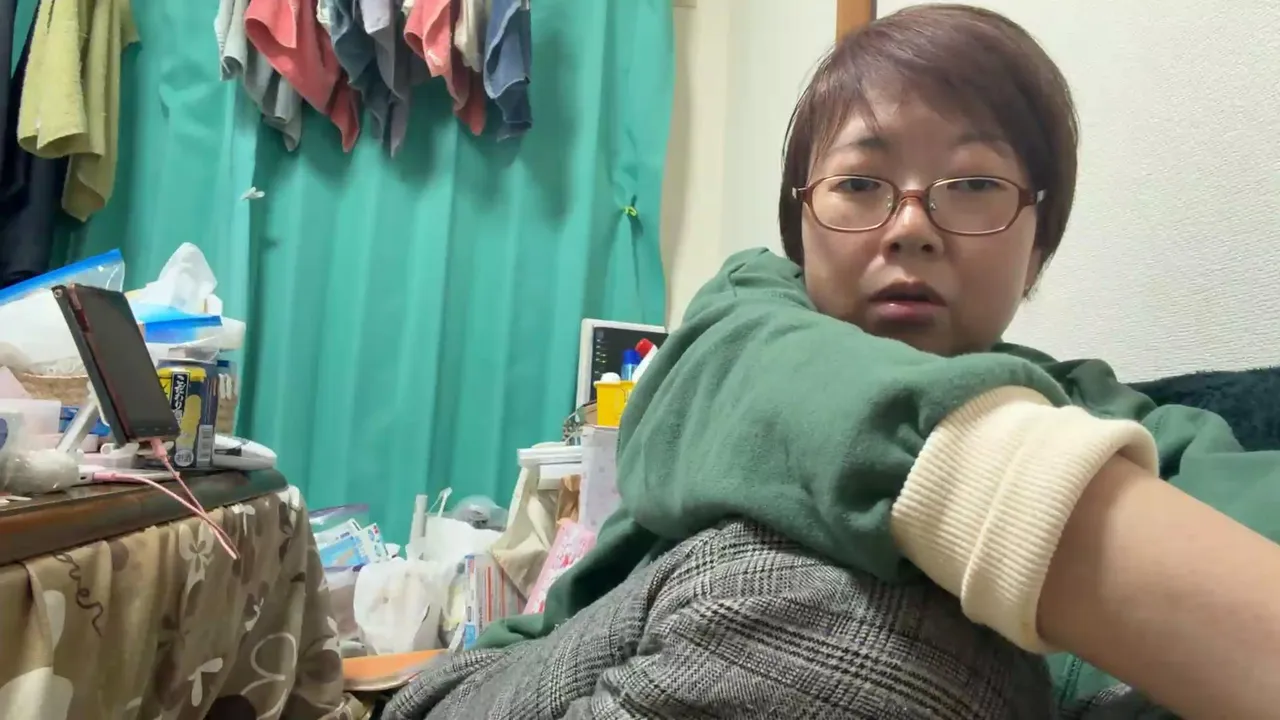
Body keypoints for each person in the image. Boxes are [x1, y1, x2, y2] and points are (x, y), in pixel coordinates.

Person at [385, 5, 1280, 719]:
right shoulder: (745, 317)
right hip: (516, 677)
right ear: (800, 228)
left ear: (1038, 243)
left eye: (974, 185)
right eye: (858, 184)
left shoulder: (1153, 435)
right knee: (843, 610)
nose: (911, 226)